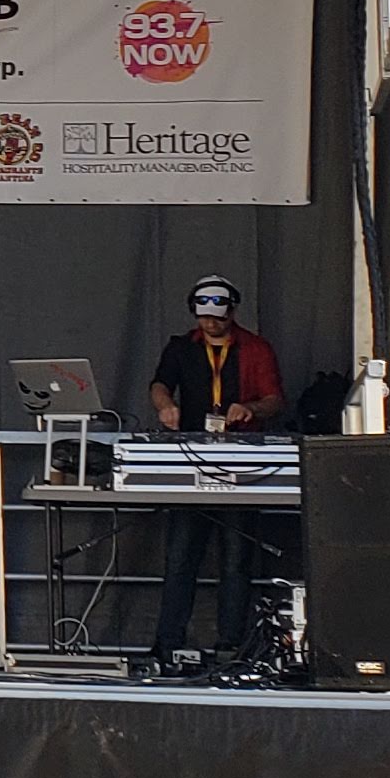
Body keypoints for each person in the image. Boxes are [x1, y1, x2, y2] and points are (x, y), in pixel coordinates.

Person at [146, 274, 289, 667]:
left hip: (240, 460)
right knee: (179, 557)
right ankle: (168, 642)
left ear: (233, 313)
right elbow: (159, 384)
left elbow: (275, 400)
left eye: (219, 319)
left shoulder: (256, 349)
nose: (211, 325)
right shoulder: (181, 347)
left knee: (236, 559)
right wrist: (165, 406)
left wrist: (251, 409)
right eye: (204, 318)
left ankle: (231, 645)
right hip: (190, 456)